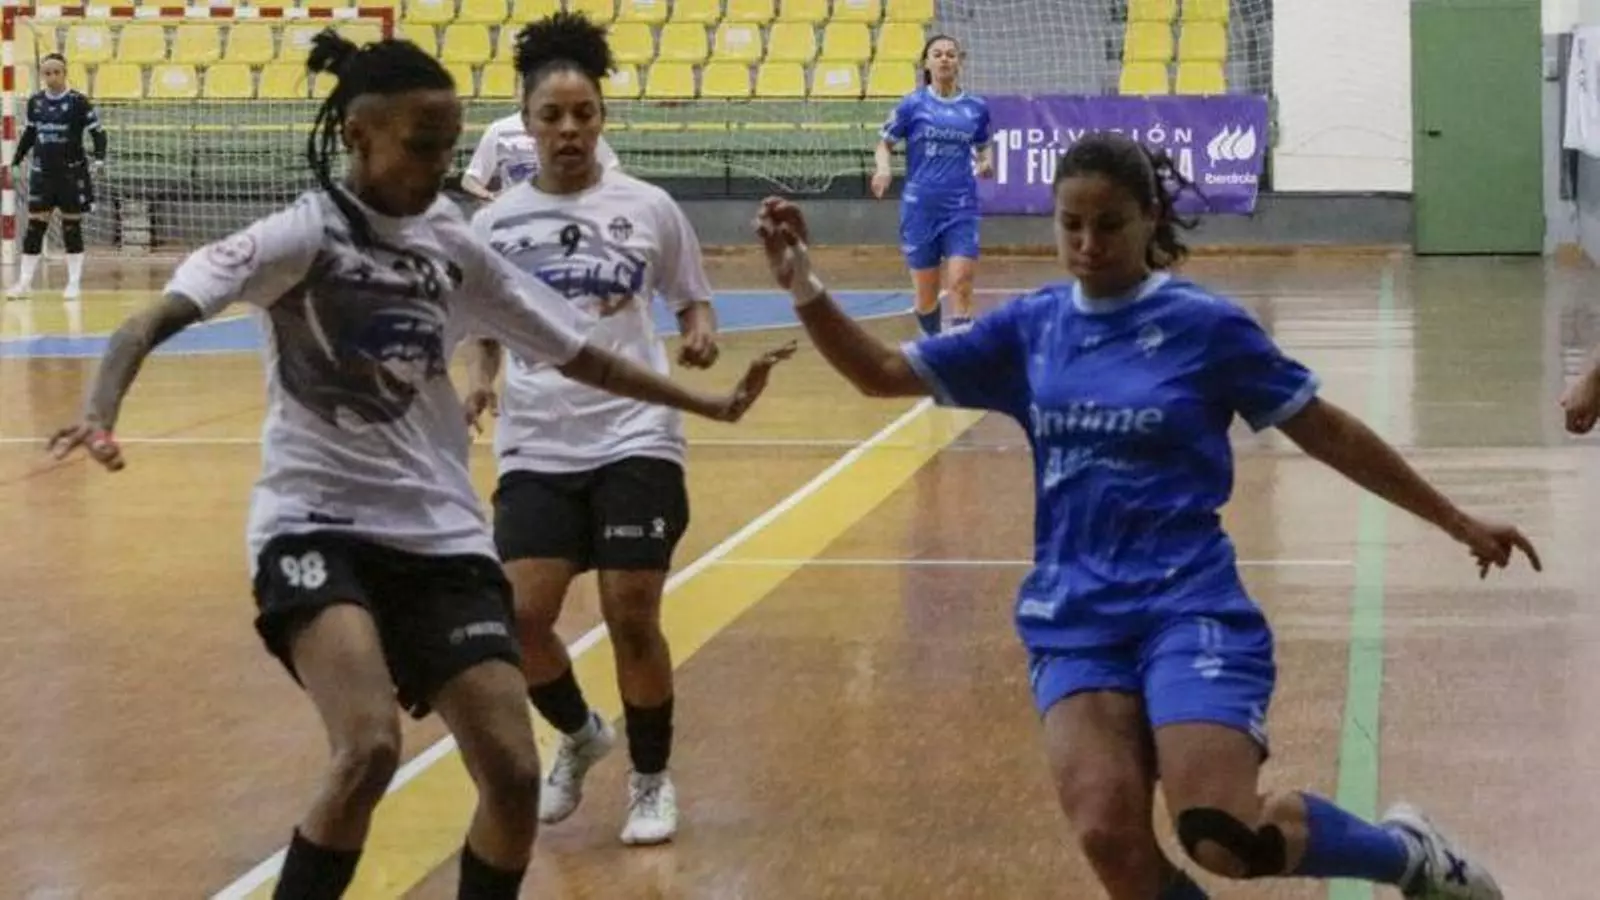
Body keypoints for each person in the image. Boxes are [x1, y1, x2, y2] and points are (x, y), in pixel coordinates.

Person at [46, 31, 788, 900]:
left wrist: (704, 403)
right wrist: (100, 410)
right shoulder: (301, 234)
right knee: (367, 749)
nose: (440, 166)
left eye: (448, 146)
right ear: (358, 135)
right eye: (422, 145)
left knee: (512, 774)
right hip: (315, 524)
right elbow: (150, 320)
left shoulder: (454, 243)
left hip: (439, 534)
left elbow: (580, 351)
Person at [754, 132, 1540, 900]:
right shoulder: (1031, 329)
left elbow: (1327, 431)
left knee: (1222, 833)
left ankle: (1408, 855)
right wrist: (802, 284)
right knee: (1109, 838)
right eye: (1071, 224)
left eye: (1109, 224)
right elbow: (879, 371)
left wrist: (1455, 519)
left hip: (1186, 604)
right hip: (1075, 617)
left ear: (1149, 220)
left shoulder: (1207, 327)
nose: (1087, 244)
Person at [459, 10, 725, 847]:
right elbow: (481, 328)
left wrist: (699, 331)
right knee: (519, 617)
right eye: (553, 115)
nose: (569, 129)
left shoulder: (647, 206)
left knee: (630, 609)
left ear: (603, 117)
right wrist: (479, 381)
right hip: (538, 440)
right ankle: (579, 734)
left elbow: (692, 296)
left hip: (635, 434)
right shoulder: (493, 226)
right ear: (526, 123)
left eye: (584, 113)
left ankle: (650, 780)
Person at [870, 34, 992, 336]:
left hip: (961, 207)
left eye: (951, 54)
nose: (944, 59)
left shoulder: (976, 107)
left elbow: (983, 144)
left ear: (960, 62)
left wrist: (986, 161)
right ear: (927, 63)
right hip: (920, 209)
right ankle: (932, 343)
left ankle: (960, 353)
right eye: (937, 54)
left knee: (961, 283)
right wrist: (883, 169)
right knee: (926, 298)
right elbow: (884, 144)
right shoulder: (912, 105)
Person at [7, 52, 106, 301]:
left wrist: (100, 159)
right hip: (42, 174)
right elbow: (30, 134)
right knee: (35, 228)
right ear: (42, 75)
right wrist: (16, 160)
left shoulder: (78, 102)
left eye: (56, 72)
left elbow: (98, 133)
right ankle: (24, 283)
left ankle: (73, 283)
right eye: (47, 73)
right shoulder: (35, 102)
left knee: (71, 227)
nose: (51, 77)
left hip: (71, 174)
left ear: (64, 73)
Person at [460, 105, 620, 201]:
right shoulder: (500, 130)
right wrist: (490, 198)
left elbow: (613, 168)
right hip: (517, 220)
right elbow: (471, 179)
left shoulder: (573, 128)